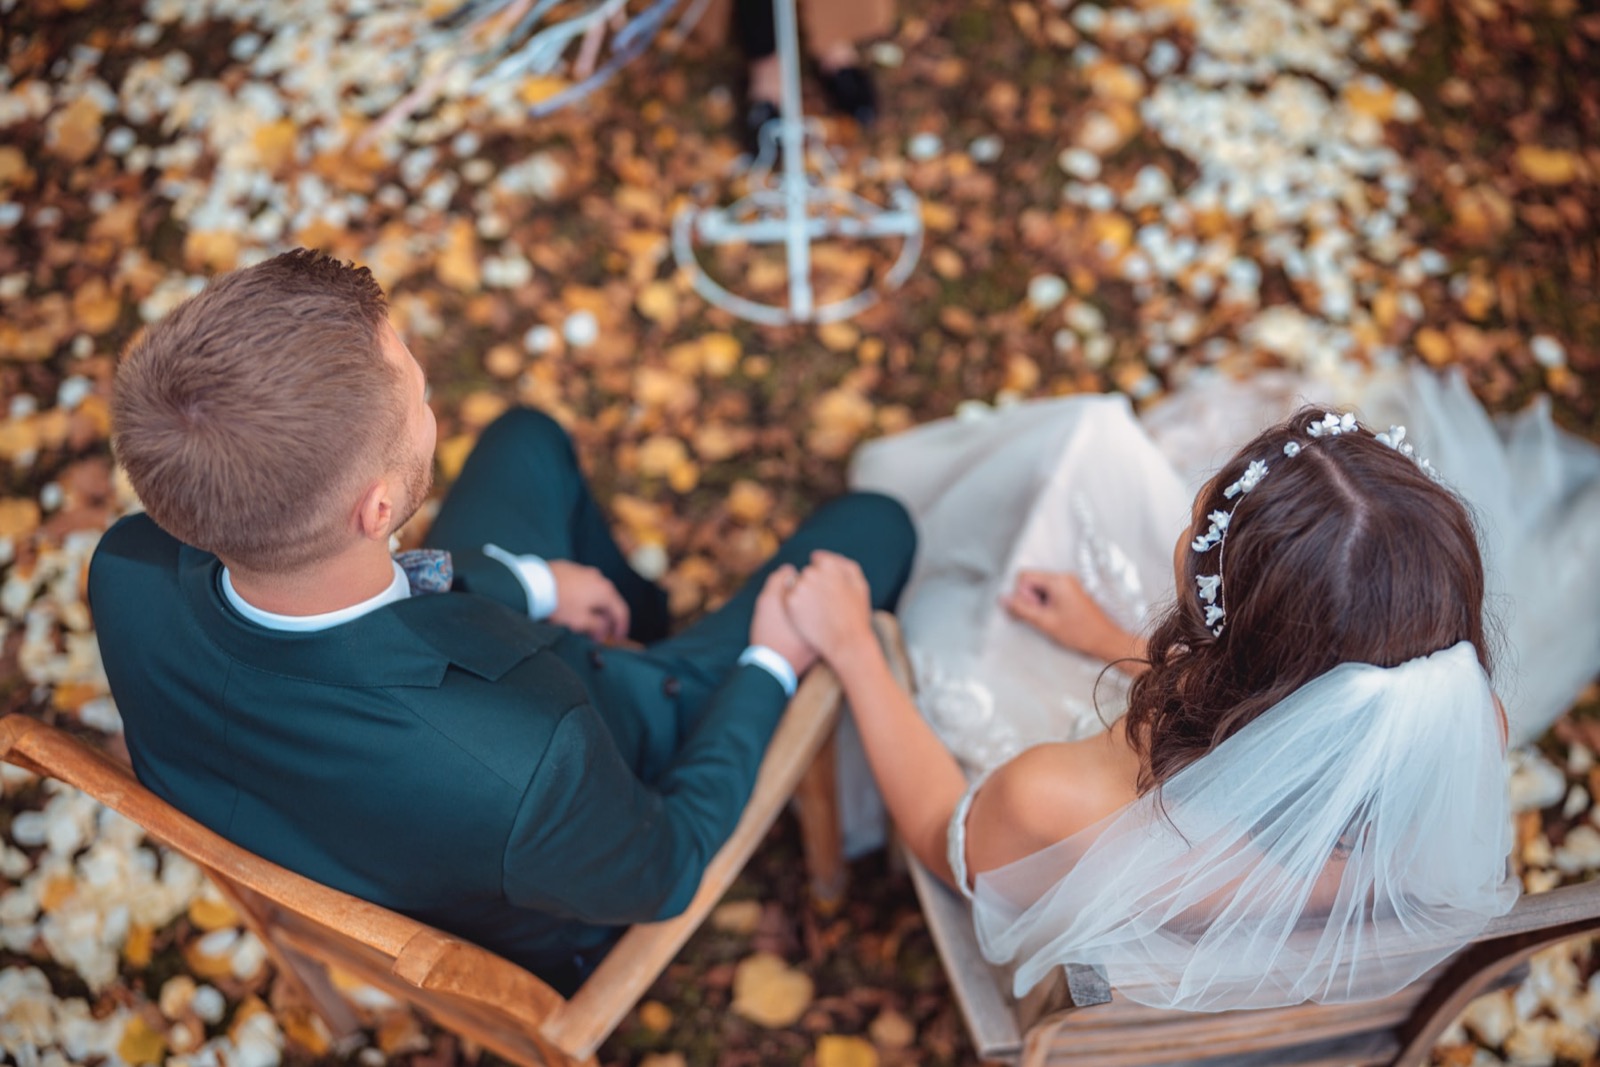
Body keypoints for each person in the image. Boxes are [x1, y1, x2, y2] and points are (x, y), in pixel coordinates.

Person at [91, 249, 916, 994]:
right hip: (584, 798)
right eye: (418, 394)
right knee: (878, 526)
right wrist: (770, 662)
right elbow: (664, 867)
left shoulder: (130, 569)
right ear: (377, 506)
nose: (429, 401)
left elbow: (388, 591)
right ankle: (689, 667)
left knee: (526, 437)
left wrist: (532, 583)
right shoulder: (524, 761)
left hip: (387, 788)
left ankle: (645, 615)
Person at [784, 389, 1583, 1012]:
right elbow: (1284, 749)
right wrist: (1107, 641)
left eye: (1203, 517)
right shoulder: (1461, 723)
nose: (1191, 519)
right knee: (1093, 444)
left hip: (1086, 866)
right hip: (1284, 1002)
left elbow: (939, 835)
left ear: (1237, 645)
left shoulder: (1060, 800)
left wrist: (855, 649)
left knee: (960, 599)